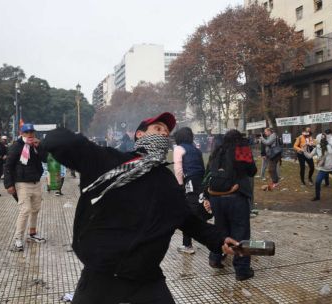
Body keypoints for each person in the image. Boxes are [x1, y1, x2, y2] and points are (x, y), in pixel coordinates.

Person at [43, 112, 238, 304]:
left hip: (146, 276)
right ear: (140, 134)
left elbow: (186, 219)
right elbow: (66, 144)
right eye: (158, 128)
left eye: (166, 131)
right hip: (102, 274)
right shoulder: (111, 162)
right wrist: (61, 141)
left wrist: (218, 239)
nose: (163, 133)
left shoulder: (166, 180)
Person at [204, 129, 257, 281]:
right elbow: (252, 171)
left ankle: (215, 258)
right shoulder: (241, 149)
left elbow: (208, 174)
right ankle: (242, 270)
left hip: (216, 197)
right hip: (236, 197)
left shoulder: (217, 151)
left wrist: (207, 196)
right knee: (240, 232)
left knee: (221, 229)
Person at [4, 123, 48, 251]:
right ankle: (18, 239)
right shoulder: (16, 147)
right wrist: (9, 184)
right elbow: (7, 166)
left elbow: (45, 159)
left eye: (32, 132)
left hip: (36, 182)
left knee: (35, 209)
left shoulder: (35, 145)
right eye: (27, 132)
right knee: (25, 210)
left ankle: (32, 234)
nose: (30, 135)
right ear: (22, 133)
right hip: (21, 183)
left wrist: (39, 147)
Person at [173, 127, 208, 255]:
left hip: (189, 181)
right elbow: (202, 167)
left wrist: (180, 185)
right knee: (198, 209)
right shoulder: (197, 150)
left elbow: (178, 168)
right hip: (200, 180)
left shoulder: (178, 148)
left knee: (189, 211)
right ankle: (204, 237)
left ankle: (187, 244)